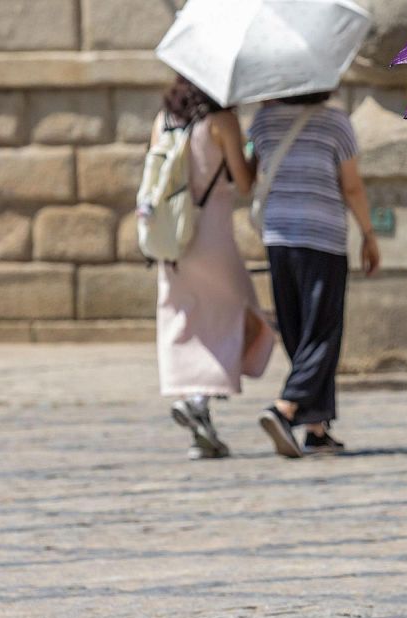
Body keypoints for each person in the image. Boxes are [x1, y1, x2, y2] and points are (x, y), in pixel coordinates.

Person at [248, 92, 380, 459]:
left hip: (277, 236)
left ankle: (317, 428)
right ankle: (286, 406)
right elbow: (350, 185)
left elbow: (247, 178)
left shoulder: (262, 122)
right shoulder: (335, 122)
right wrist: (368, 234)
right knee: (322, 331)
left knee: (297, 329)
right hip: (321, 238)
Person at [152, 76, 262, 460]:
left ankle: (196, 406)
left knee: (182, 316)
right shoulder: (222, 121)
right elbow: (244, 183)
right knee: (236, 311)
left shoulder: (165, 118)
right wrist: (253, 151)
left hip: (170, 231)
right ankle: (199, 397)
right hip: (211, 228)